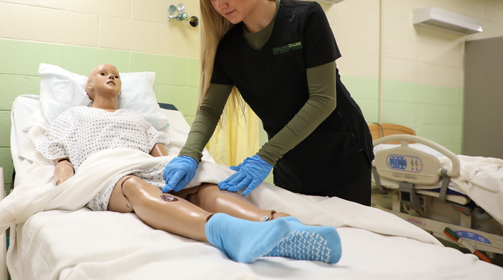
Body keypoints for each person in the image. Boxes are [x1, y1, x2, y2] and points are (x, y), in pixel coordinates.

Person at [36, 63, 342, 264]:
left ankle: (279, 224)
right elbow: (62, 159)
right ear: (88, 87)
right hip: (109, 174)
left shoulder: (138, 119)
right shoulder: (72, 116)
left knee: (205, 187)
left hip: (146, 167)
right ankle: (222, 231)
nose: (112, 76)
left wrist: (182, 173)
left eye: (116, 74)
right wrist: (68, 179)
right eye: (103, 74)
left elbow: (164, 158)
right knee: (133, 184)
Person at [162, 0, 374, 206]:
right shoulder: (229, 48)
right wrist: (189, 154)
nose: (219, 4)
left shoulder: (305, 18)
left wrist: (265, 156)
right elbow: (210, 109)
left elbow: (323, 100)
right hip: (288, 159)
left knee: (353, 240)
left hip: (341, 152)